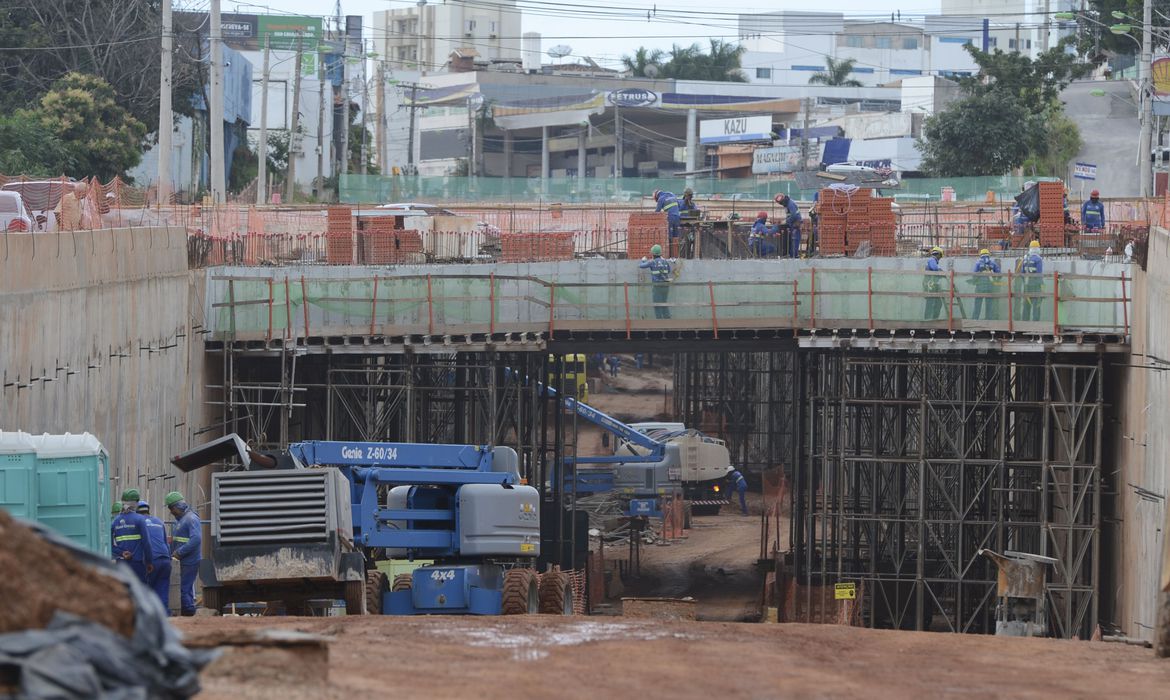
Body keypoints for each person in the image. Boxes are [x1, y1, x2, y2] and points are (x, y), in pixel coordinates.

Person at [167, 491, 202, 617]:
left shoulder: (191, 519)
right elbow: (179, 540)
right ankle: (188, 612)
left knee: (184, 589)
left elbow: (196, 539)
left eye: (171, 508)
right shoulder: (181, 520)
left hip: (190, 561)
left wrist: (179, 552)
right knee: (183, 588)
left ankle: (189, 613)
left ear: (177, 506)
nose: (171, 511)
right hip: (183, 560)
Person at [111, 488, 154, 586]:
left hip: (121, 563)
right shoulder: (140, 519)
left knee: (125, 592)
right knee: (140, 592)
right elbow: (147, 543)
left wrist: (121, 553)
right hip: (137, 563)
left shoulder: (115, 521)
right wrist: (149, 562)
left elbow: (108, 544)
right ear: (135, 503)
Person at [137, 500, 173, 611]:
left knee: (146, 590)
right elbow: (165, 543)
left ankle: (150, 617)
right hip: (165, 560)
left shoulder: (138, 522)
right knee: (162, 588)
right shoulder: (159, 521)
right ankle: (164, 617)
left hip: (152, 560)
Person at [639, 244, 673, 319]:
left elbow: (641, 266)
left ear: (653, 254)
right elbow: (669, 270)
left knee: (657, 304)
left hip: (657, 286)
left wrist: (643, 260)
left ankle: (659, 322)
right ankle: (668, 321)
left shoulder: (652, 262)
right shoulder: (665, 262)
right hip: (665, 286)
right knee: (664, 303)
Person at [1017, 240, 1045, 322]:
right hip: (1036, 285)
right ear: (1038, 248)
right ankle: (1035, 322)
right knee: (1036, 305)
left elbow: (1022, 272)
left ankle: (1025, 322)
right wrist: (1042, 287)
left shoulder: (1025, 259)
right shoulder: (1038, 259)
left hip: (1026, 285)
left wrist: (1025, 282)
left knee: (1026, 305)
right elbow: (1039, 274)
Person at [972, 249, 1002, 320]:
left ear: (981, 255)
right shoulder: (993, 263)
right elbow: (1000, 275)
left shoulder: (978, 263)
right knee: (989, 307)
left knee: (977, 306)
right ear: (988, 255)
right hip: (990, 288)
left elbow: (974, 275)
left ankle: (974, 322)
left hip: (979, 287)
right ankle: (988, 323)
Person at [774, 193, 803, 258]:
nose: (781, 204)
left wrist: (786, 221)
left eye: (780, 202)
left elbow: (794, 215)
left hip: (796, 224)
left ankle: (794, 255)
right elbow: (789, 215)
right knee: (792, 240)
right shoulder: (786, 204)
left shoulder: (790, 203)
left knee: (795, 240)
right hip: (792, 224)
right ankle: (791, 255)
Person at [923, 246, 945, 320]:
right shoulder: (932, 260)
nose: (940, 258)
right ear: (938, 254)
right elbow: (935, 269)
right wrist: (942, 272)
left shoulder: (932, 261)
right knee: (931, 303)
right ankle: (928, 320)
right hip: (930, 285)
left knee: (937, 303)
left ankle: (933, 319)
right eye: (940, 256)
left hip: (932, 284)